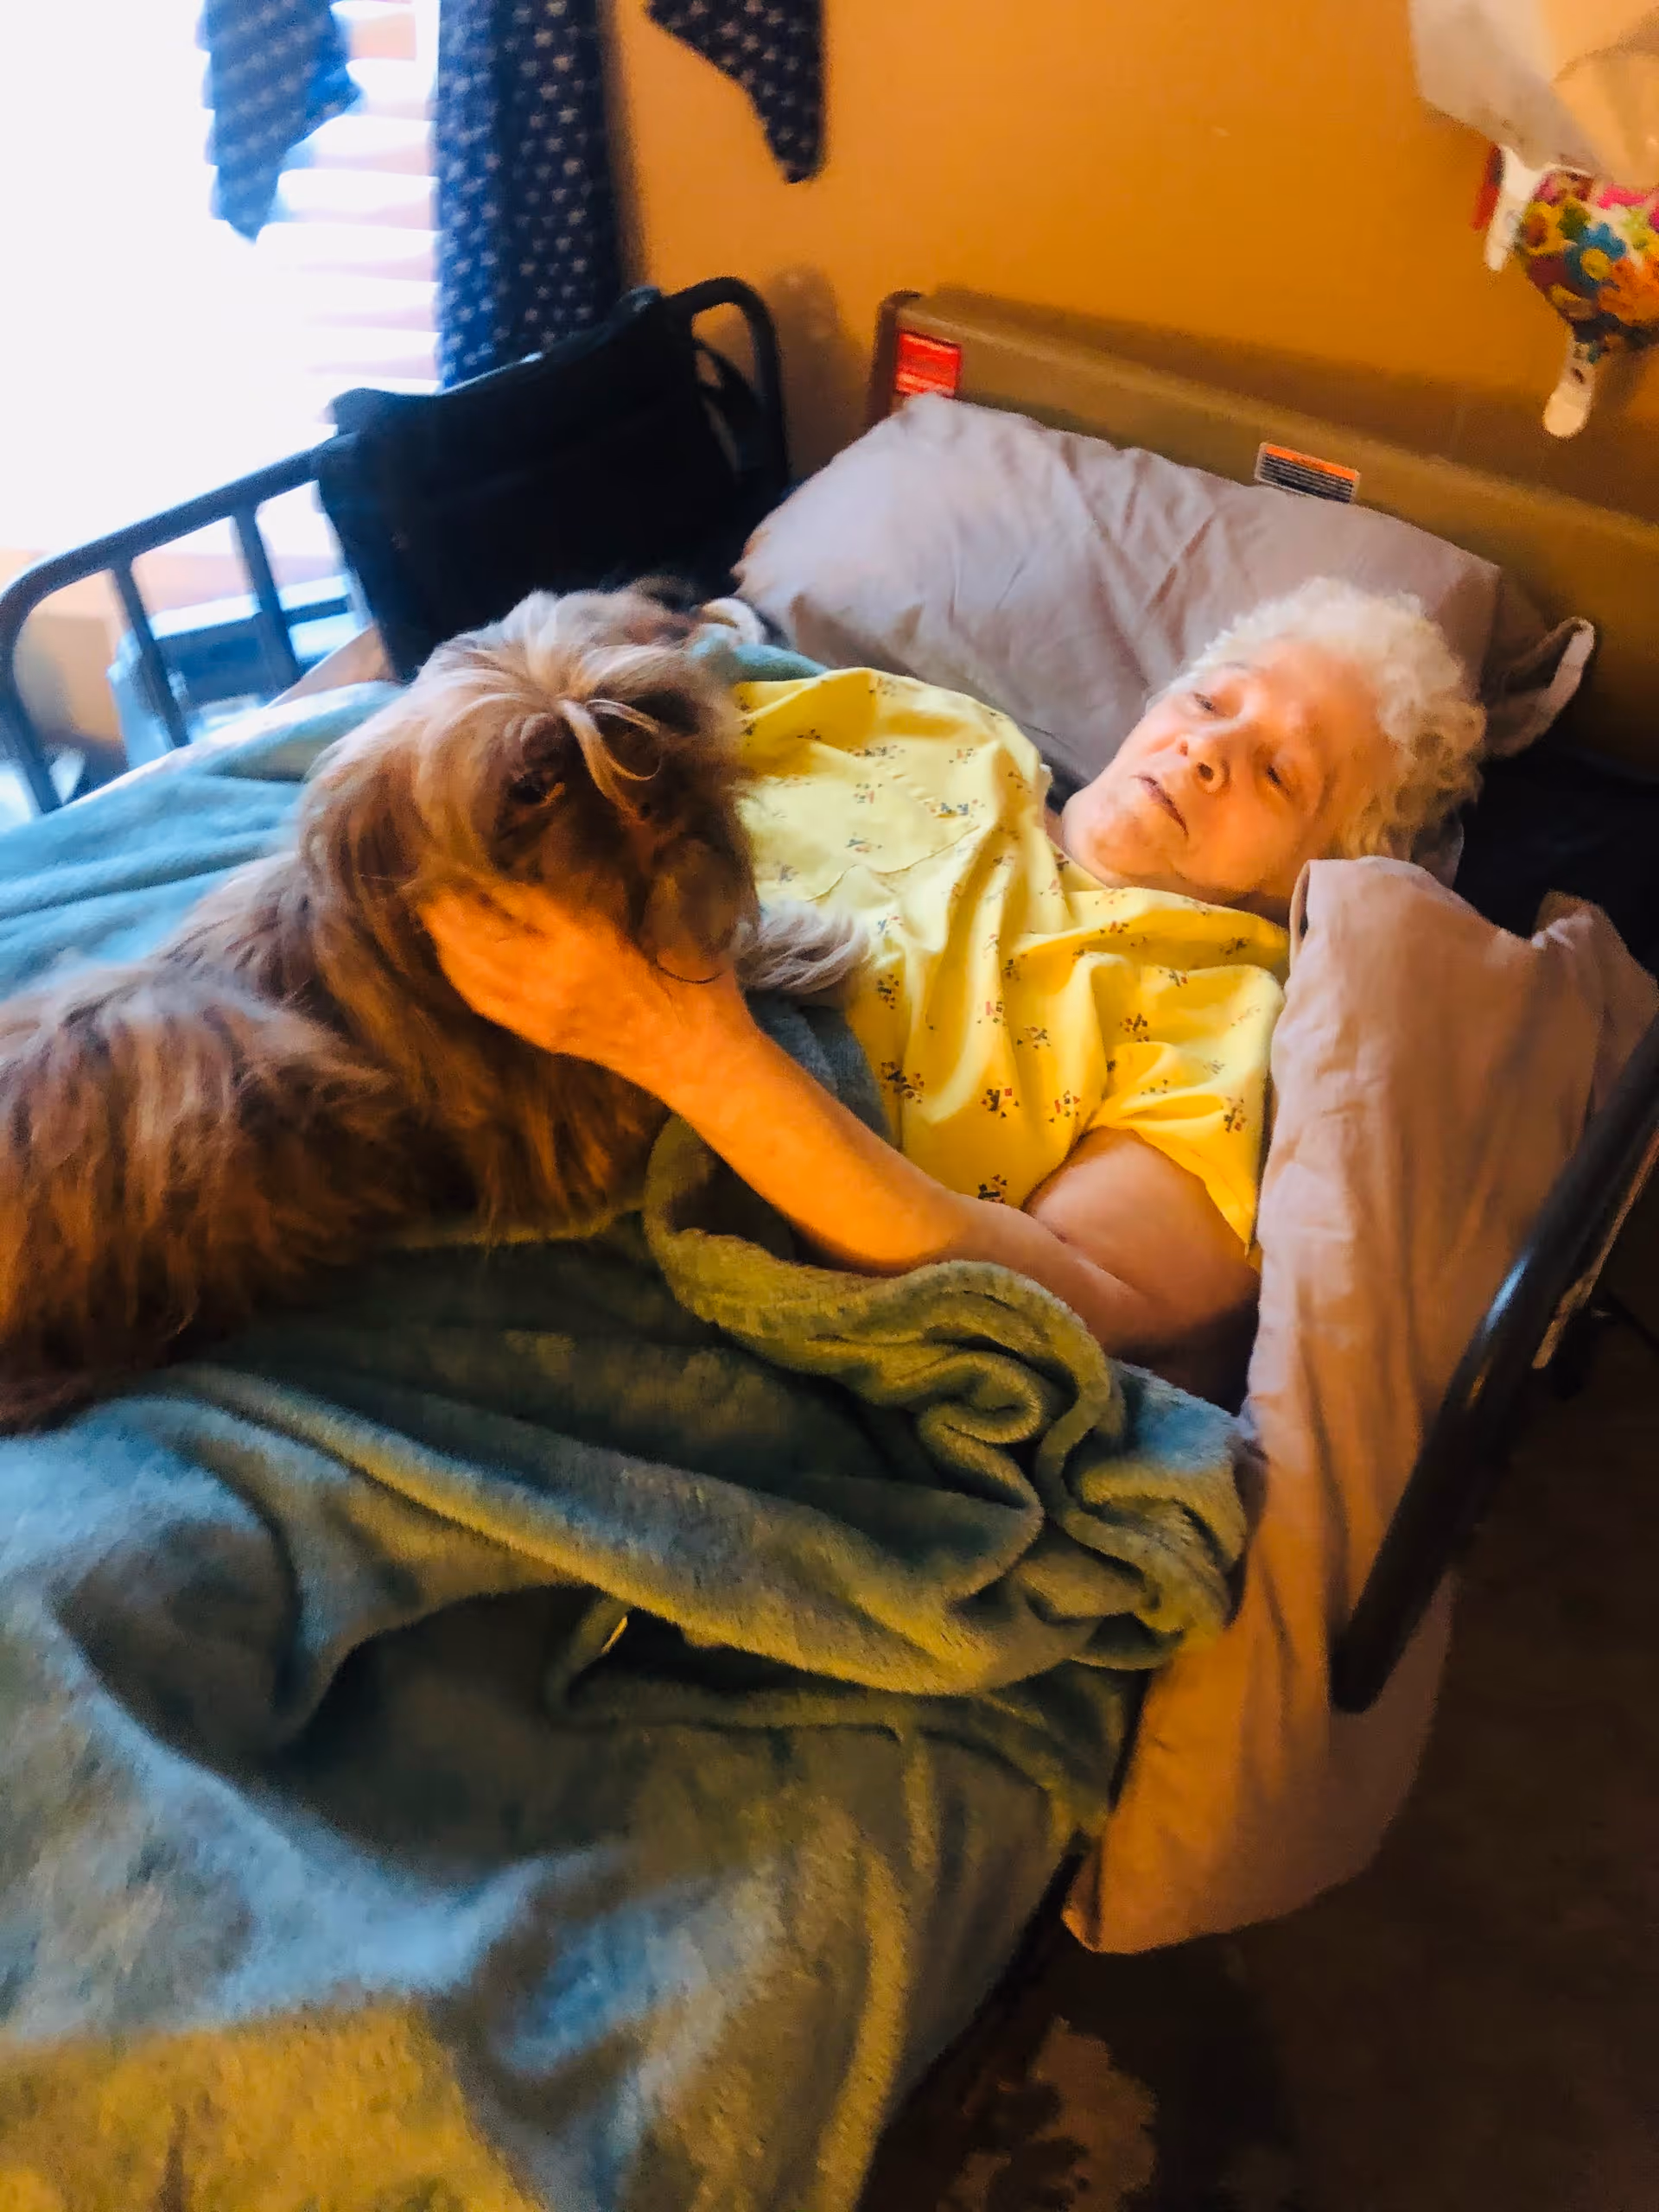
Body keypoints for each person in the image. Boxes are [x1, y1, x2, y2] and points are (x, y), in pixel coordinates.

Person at [424, 580, 1486, 1395]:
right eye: (1211, 700)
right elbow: (621, 708)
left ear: (1317, 875)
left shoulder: (1221, 1019)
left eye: (1280, 774)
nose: (1208, 749)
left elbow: (1085, 1305)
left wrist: (683, 1047)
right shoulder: (936, 730)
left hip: (615, 1202)